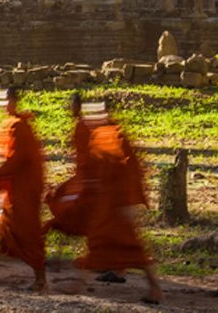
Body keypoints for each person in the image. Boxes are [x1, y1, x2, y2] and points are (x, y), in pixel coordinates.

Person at [66, 101, 164, 304]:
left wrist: (129, 202)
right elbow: (93, 168)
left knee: (132, 248)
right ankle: (79, 285)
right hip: (106, 203)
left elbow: (132, 170)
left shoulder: (117, 135)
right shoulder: (99, 134)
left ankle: (156, 289)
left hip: (119, 204)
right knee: (97, 243)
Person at [0, 87, 47, 292]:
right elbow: (8, 160)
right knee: (8, 228)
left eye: (9, 100)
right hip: (15, 188)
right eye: (4, 101)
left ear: (15, 101)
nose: (6, 105)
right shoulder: (9, 125)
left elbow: (15, 162)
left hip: (25, 188)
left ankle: (41, 279)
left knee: (28, 233)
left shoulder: (20, 127)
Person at [44, 92, 91, 238]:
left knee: (63, 200)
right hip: (81, 173)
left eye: (74, 105)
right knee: (56, 196)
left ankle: (68, 226)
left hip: (85, 174)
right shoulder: (80, 125)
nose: (72, 108)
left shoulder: (83, 126)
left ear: (79, 106)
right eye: (71, 105)